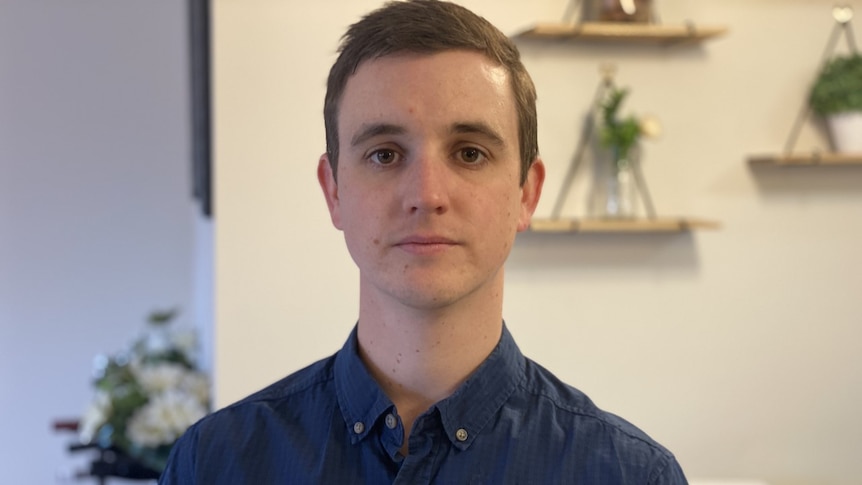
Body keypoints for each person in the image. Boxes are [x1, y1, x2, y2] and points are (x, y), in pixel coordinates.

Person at [159, 0, 688, 483]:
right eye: (385, 154)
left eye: (469, 153)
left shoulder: (628, 474)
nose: (427, 195)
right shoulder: (216, 463)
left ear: (527, 193)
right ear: (334, 191)